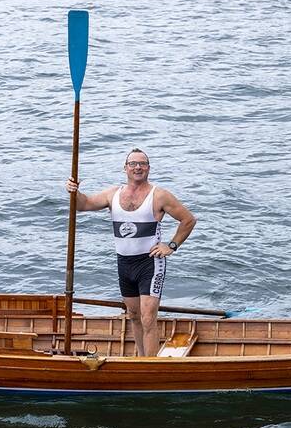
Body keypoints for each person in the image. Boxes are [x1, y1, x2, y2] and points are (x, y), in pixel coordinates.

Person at [65, 148, 196, 356]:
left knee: (147, 318)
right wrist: (74, 191)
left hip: (149, 263)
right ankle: (142, 359)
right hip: (124, 264)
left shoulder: (159, 195)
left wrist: (171, 246)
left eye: (142, 164)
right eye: (133, 163)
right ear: (125, 168)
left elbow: (188, 220)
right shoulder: (113, 194)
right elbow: (84, 204)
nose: (138, 167)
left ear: (149, 169)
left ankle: (150, 368)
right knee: (134, 316)